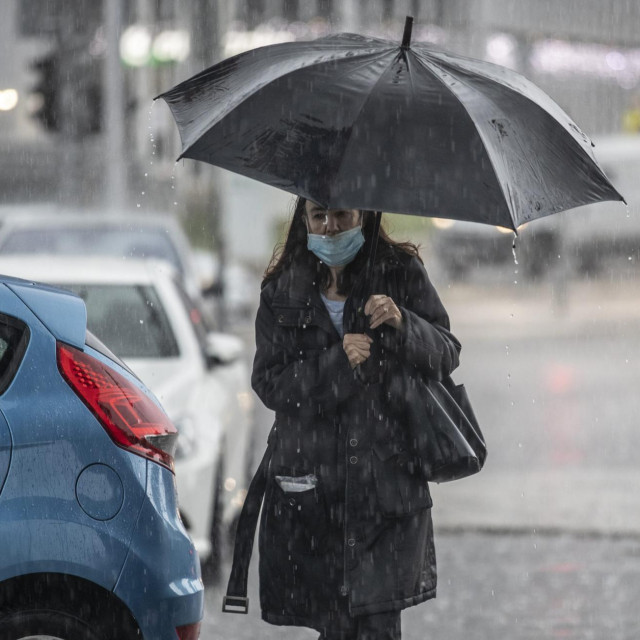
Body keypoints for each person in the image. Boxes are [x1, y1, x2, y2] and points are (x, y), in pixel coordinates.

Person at [250, 196, 461, 640]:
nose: (329, 227)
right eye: (318, 215)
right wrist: (336, 364)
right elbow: (270, 383)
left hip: (383, 493)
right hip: (313, 495)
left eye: (342, 213)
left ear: (364, 214)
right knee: (334, 626)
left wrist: (404, 325)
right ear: (304, 220)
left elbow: (445, 352)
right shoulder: (282, 289)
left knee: (378, 626)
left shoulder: (400, 273)